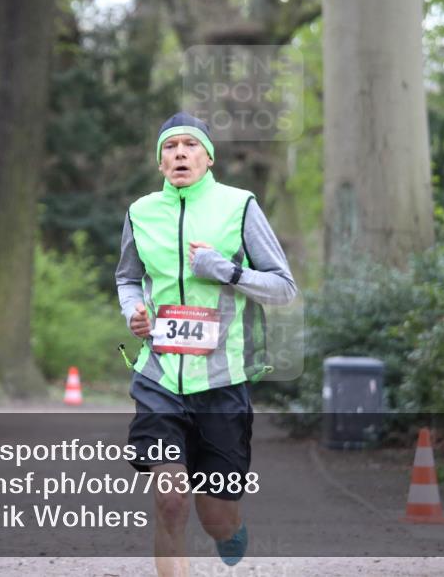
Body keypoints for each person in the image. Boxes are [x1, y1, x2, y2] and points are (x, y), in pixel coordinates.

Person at [115, 112, 297, 576]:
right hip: (158, 376)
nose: (180, 152)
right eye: (170, 147)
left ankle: (228, 528)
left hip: (223, 378)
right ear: (160, 163)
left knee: (215, 518)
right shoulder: (141, 213)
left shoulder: (239, 206)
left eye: (190, 145)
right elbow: (127, 278)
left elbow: (283, 288)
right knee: (170, 500)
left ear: (209, 157)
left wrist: (226, 270)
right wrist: (133, 311)